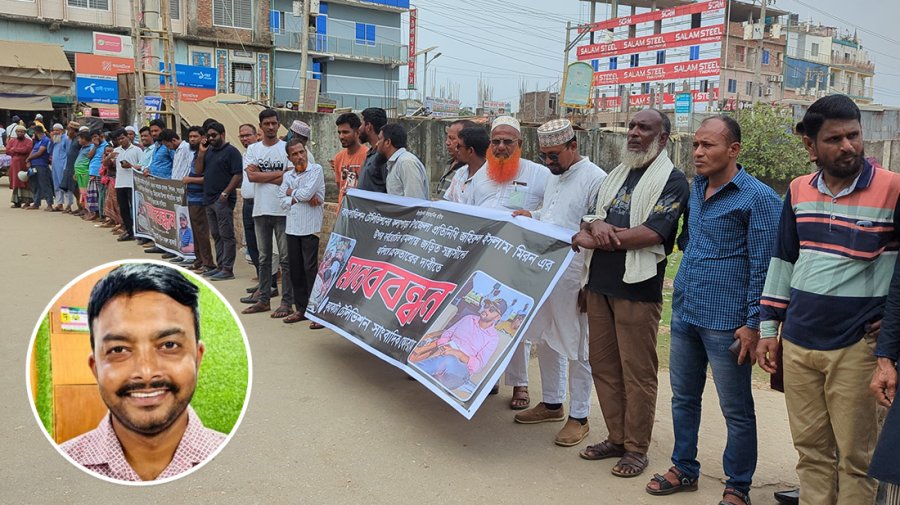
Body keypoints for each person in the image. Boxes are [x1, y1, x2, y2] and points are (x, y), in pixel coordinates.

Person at [756, 94, 900, 505]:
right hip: (799, 343)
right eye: (834, 139)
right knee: (812, 454)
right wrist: (769, 328)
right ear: (810, 146)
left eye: (853, 135)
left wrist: (889, 335)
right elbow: (784, 260)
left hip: (857, 348)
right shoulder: (800, 190)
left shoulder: (893, 189)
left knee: (857, 459)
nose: (848, 146)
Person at [643, 116, 781, 505]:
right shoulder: (697, 187)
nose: (698, 153)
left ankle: (738, 484)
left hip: (729, 325)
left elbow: (764, 266)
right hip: (686, 313)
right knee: (683, 398)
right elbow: (690, 242)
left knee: (735, 409)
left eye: (709, 146)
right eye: (696, 145)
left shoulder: (758, 198)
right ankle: (684, 467)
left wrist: (754, 324)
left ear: (733, 150)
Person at [572, 108, 689, 478]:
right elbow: (588, 218)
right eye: (633, 127)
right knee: (604, 365)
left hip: (637, 290)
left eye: (645, 128)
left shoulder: (673, 180)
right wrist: (597, 226)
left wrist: (599, 237)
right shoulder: (615, 175)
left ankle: (637, 449)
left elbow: (654, 232)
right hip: (599, 284)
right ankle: (617, 437)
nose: (635, 133)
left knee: (637, 372)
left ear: (663, 138)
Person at [60, 263, 225, 481]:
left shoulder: (240, 461)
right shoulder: (57, 468)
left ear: (197, 357)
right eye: (119, 350)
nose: (146, 372)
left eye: (169, 345)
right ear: (95, 367)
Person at [511, 119, 606, 447]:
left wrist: (588, 285)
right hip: (547, 273)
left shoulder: (595, 179)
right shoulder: (554, 176)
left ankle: (579, 416)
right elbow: (554, 218)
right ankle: (552, 402)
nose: (548, 162)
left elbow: (598, 232)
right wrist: (531, 217)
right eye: (544, 156)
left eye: (554, 155)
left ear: (573, 146)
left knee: (579, 345)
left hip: (576, 278)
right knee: (547, 338)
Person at [463, 115, 551, 410]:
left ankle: (520, 385)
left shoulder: (539, 174)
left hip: (521, 261)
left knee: (516, 324)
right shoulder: (479, 176)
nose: (501, 147)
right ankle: (488, 378)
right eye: (496, 141)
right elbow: (469, 214)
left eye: (507, 141)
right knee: (484, 320)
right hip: (486, 260)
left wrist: (534, 218)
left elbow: (551, 211)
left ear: (520, 144)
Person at [242, 109, 294, 316]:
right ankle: (263, 299)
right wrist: (279, 174)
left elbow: (288, 180)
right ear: (261, 126)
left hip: (282, 210)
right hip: (261, 209)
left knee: (285, 259)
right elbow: (251, 177)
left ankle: (286, 303)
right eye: (267, 124)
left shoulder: (286, 148)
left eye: (274, 123)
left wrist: (264, 174)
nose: (271, 127)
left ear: (279, 124)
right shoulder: (253, 149)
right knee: (263, 258)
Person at [278, 137, 325, 326]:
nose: (299, 156)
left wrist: (292, 193)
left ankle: (317, 312)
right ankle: (301, 310)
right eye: (295, 154)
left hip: (310, 227)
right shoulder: (288, 176)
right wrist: (298, 196)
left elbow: (305, 194)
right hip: (292, 227)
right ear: (289, 158)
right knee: (295, 270)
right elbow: (281, 200)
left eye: (301, 152)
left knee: (310, 269)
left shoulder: (316, 170)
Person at [410, 299, 507, 391]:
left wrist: (458, 354)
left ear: (498, 317)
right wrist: (444, 347)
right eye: (486, 305)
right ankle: (416, 371)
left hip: (460, 369)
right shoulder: (468, 319)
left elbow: (478, 366)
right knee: (441, 357)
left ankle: (414, 371)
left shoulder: (493, 338)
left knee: (449, 359)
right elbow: (447, 334)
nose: (486, 309)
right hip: (443, 353)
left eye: (492, 309)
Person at [197, 122, 242, 281]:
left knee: (226, 235)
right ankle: (220, 265)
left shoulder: (232, 152)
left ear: (222, 135)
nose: (211, 138)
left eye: (214, 135)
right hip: (208, 199)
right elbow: (198, 170)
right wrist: (201, 153)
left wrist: (225, 193)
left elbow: (237, 175)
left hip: (222, 200)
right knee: (216, 234)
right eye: (208, 136)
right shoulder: (208, 151)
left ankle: (228, 269)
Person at [179, 126, 215, 272]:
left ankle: (208, 263)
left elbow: (207, 178)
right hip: (192, 197)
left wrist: (190, 180)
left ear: (203, 138)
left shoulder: (207, 154)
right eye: (190, 137)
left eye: (195, 136)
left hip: (200, 198)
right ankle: (199, 260)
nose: (192, 139)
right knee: (195, 231)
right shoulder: (194, 154)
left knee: (201, 232)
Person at [236, 124, 263, 285]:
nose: (245, 138)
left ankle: (270, 279)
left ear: (255, 136)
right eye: (242, 136)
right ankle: (261, 276)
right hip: (247, 203)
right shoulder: (245, 154)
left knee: (263, 245)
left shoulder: (261, 152)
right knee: (252, 243)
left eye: (248, 135)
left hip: (260, 203)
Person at [378, 123, 430, 199]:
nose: (377, 144)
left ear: (387, 142)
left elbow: (414, 201)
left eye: (379, 139)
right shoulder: (396, 163)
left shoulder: (406, 163)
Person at [443, 126, 489, 204]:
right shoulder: (460, 172)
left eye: (459, 146)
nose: (456, 150)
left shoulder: (489, 179)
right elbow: (447, 200)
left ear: (470, 151)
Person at [111, 128, 142, 242]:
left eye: (122, 138)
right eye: (118, 139)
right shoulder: (116, 151)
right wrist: (110, 157)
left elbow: (142, 166)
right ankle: (129, 231)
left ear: (128, 137)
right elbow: (106, 164)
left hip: (132, 183)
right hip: (120, 183)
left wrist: (131, 166)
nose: (121, 141)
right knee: (123, 209)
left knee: (135, 208)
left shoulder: (137, 150)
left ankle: (138, 232)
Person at [332, 112, 366, 207]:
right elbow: (340, 187)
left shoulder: (367, 156)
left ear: (357, 132)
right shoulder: (338, 158)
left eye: (345, 132)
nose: (341, 136)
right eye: (339, 132)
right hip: (342, 212)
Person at [436, 119, 478, 197]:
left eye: (452, 138)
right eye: (447, 138)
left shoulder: (469, 170)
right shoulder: (450, 162)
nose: (447, 142)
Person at [356, 107, 389, 193]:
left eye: (361, 124)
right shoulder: (371, 154)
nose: (359, 129)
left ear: (369, 126)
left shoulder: (383, 156)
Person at [26, 125, 53, 210]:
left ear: (36, 132)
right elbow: (33, 151)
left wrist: (28, 158)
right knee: (35, 184)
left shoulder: (45, 140)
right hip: (34, 164)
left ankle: (49, 204)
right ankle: (36, 203)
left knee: (44, 184)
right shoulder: (38, 141)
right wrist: (29, 161)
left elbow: (40, 152)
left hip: (41, 164)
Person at [58, 122, 82, 214]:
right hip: (69, 166)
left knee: (77, 188)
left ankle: (82, 207)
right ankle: (79, 207)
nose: (67, 132)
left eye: (69, 130)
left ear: (73, 130)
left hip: (75, 166)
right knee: (72, 188)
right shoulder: (72, 140)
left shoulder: (79, 139)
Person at [8, 125, 34, 208]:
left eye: (21, 132)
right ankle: (17, 202)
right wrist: (18, 150)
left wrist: (14, 149)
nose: (20, 133)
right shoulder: (12, 141)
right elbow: (8, 150)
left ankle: (27, 201)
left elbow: (26, 150)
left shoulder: (28, 141)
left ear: (25, 133)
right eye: (18, 132)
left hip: (24, 164)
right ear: (16, 132)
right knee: (16, 182)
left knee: (25, 182)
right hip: (15, 165)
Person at [49, 123, 73, 212]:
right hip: (55, 166)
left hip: (63, 166)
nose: (55, 132)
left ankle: (69, 205)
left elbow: (68, 153)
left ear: (62, 131)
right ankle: (59, 204)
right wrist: (51, 140)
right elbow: (49, 151)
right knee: (56, 185)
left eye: (57, 130)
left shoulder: (66, 139)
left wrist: (66, 166)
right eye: (54, 130)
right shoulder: (55, 140)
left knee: (65, 185)